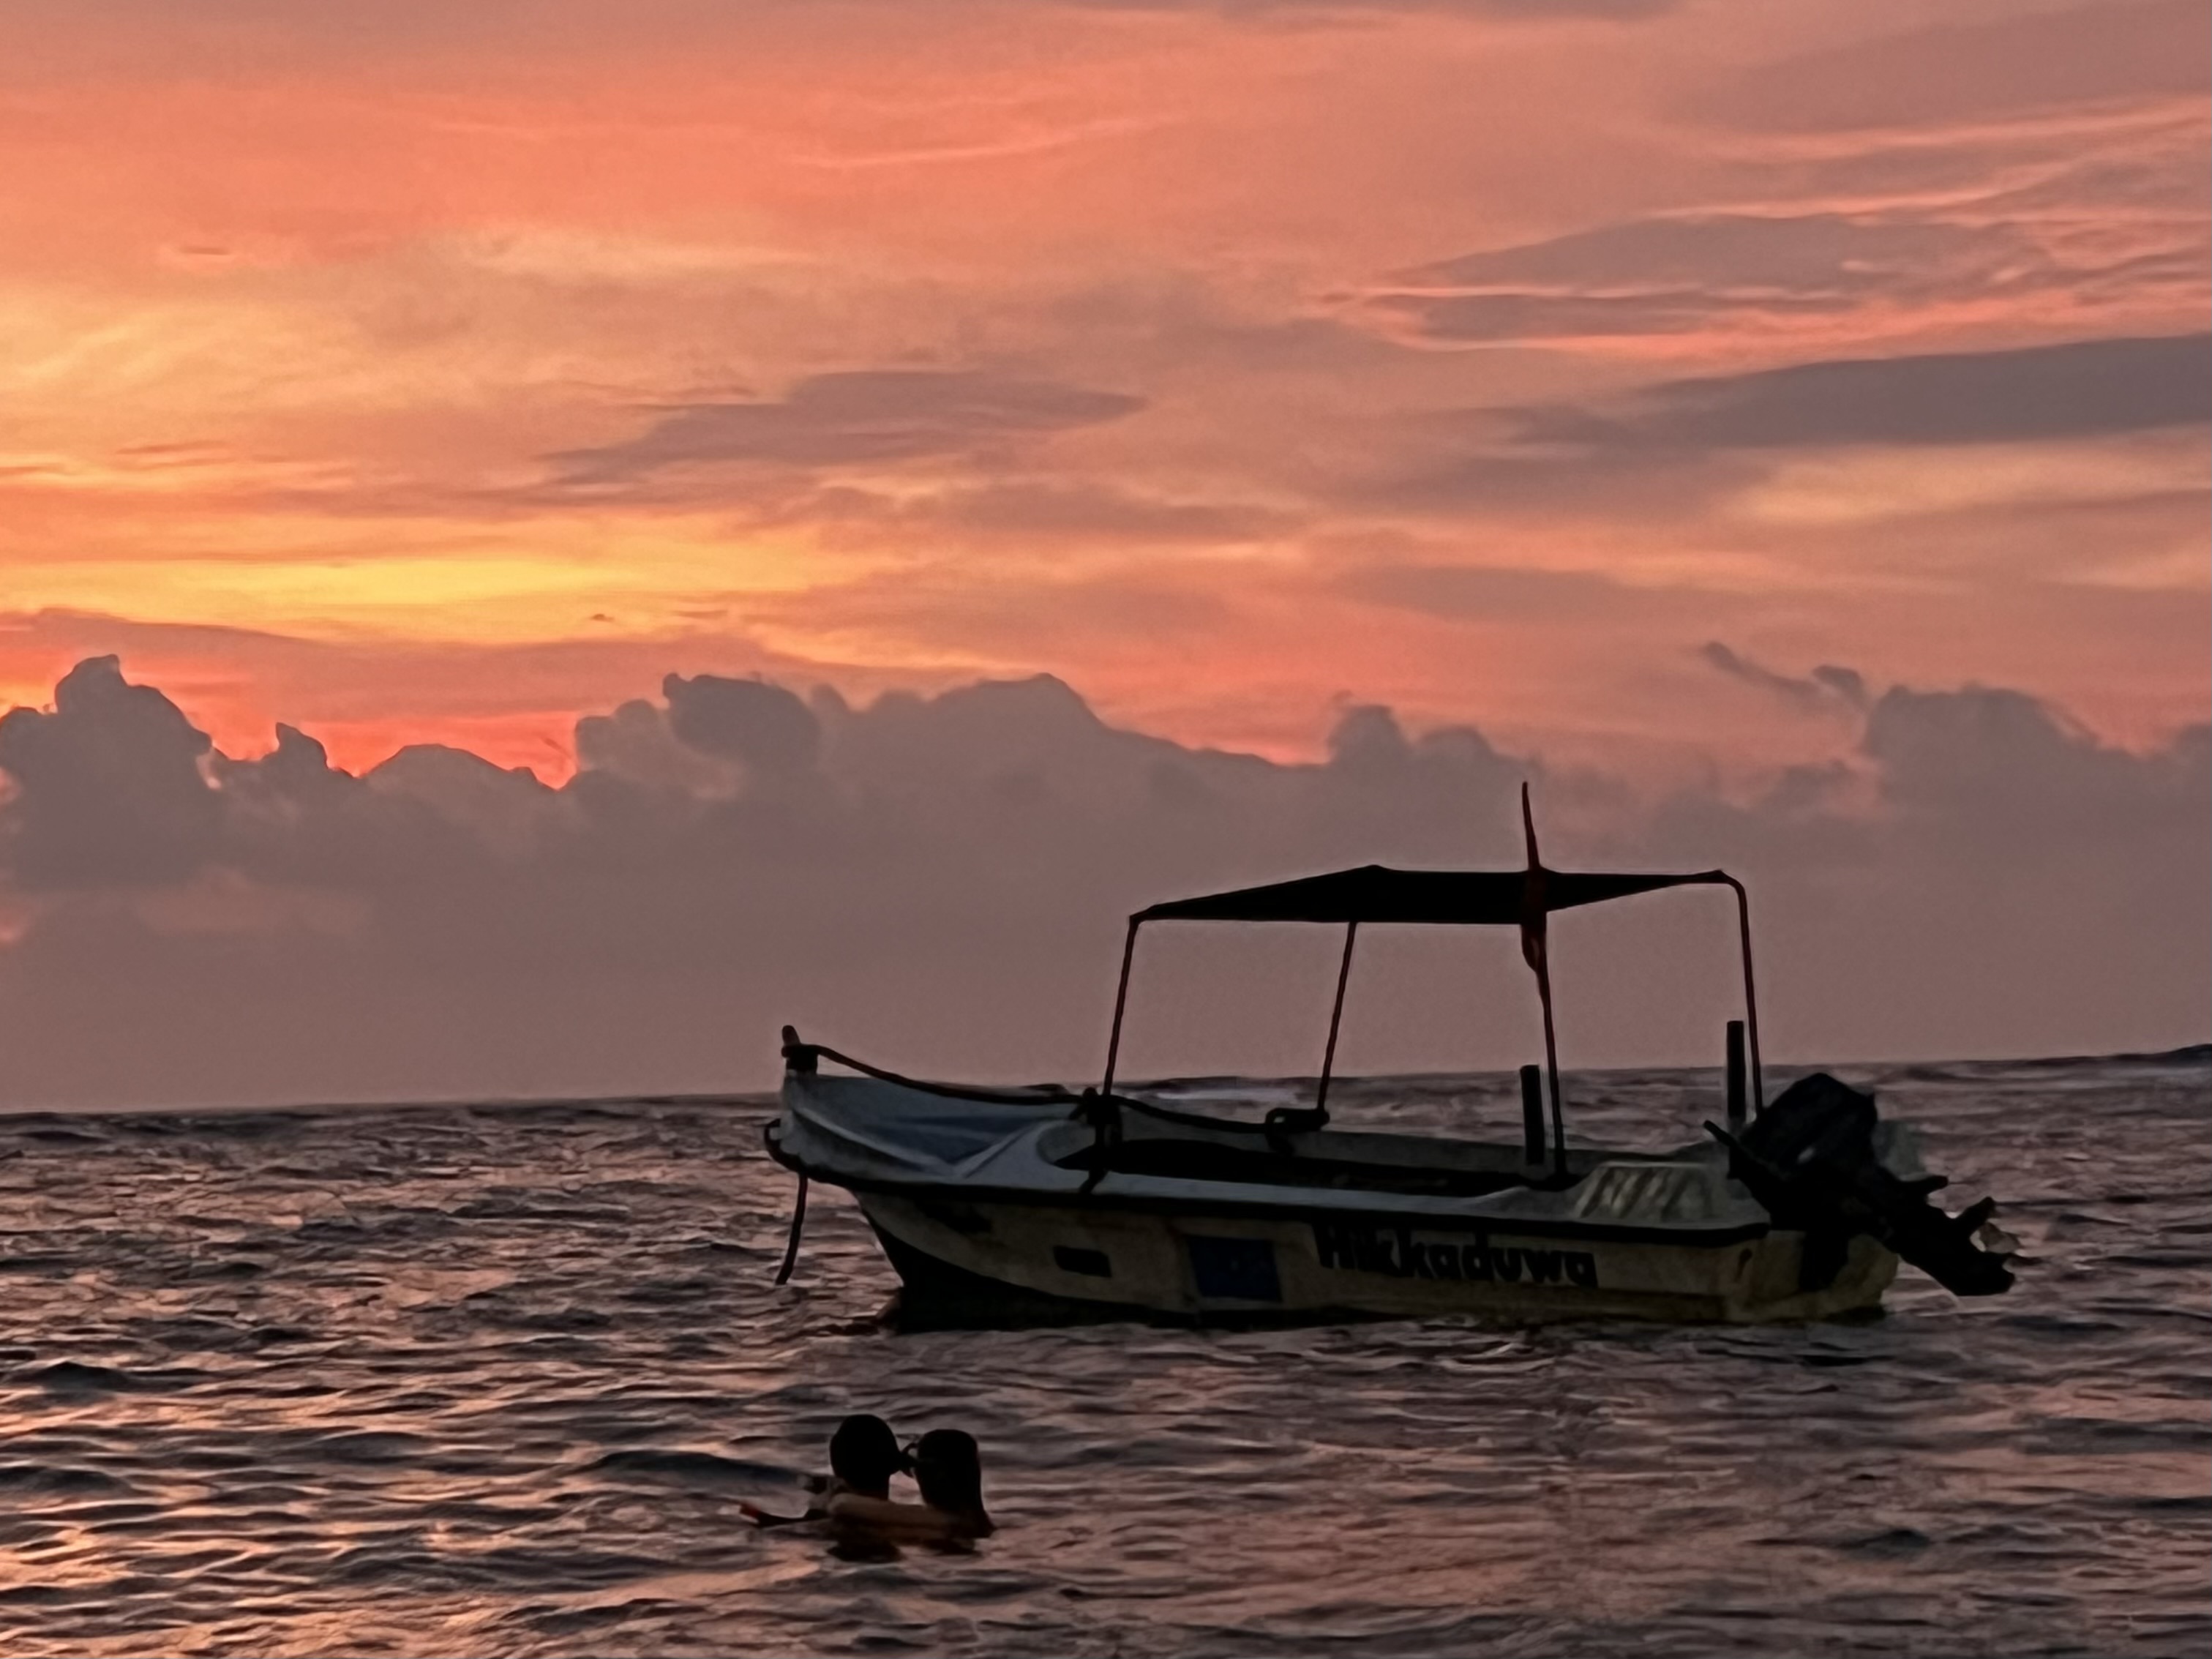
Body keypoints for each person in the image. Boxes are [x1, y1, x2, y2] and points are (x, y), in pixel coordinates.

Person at [825, 1428, 994, 1543]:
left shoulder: (949, 1521)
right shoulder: (974, 1522)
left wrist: (834, 1492)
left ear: (937, 1474)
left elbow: (842, 1505)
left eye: (917, 1469)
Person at [741, 1412, 908, 1527]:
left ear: (835, 1464)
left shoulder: (825, 1522)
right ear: (894, 1466)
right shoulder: (914, 1522)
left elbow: (767, 1524)